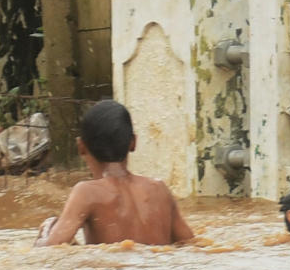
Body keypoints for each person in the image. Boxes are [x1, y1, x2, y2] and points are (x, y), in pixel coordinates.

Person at [38, 100, 195, 246]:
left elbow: (51, 250)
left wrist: (46, 230)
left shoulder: (87, 192)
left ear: (81, 147)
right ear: (133, 143)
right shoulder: (159, 189)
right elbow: (189, 245)